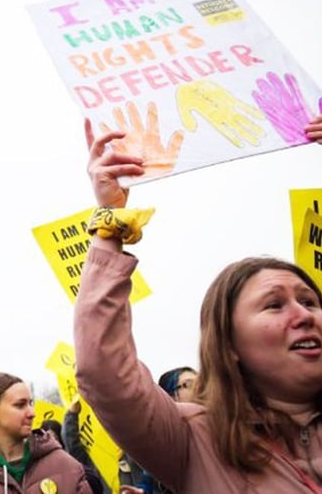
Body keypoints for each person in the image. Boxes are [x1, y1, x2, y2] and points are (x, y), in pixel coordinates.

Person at [75, 115, 322, 492]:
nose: (303, 314)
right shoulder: (193, 439)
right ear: (229, 344)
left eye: (310, 301)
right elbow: (104, 372)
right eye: (274, 305)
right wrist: (110, 222)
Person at [118, 367, 197, 494]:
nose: (200, 387)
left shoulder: (224, 428)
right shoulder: (155, 444)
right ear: (169, 397)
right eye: (189, 384)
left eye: (202, 381)